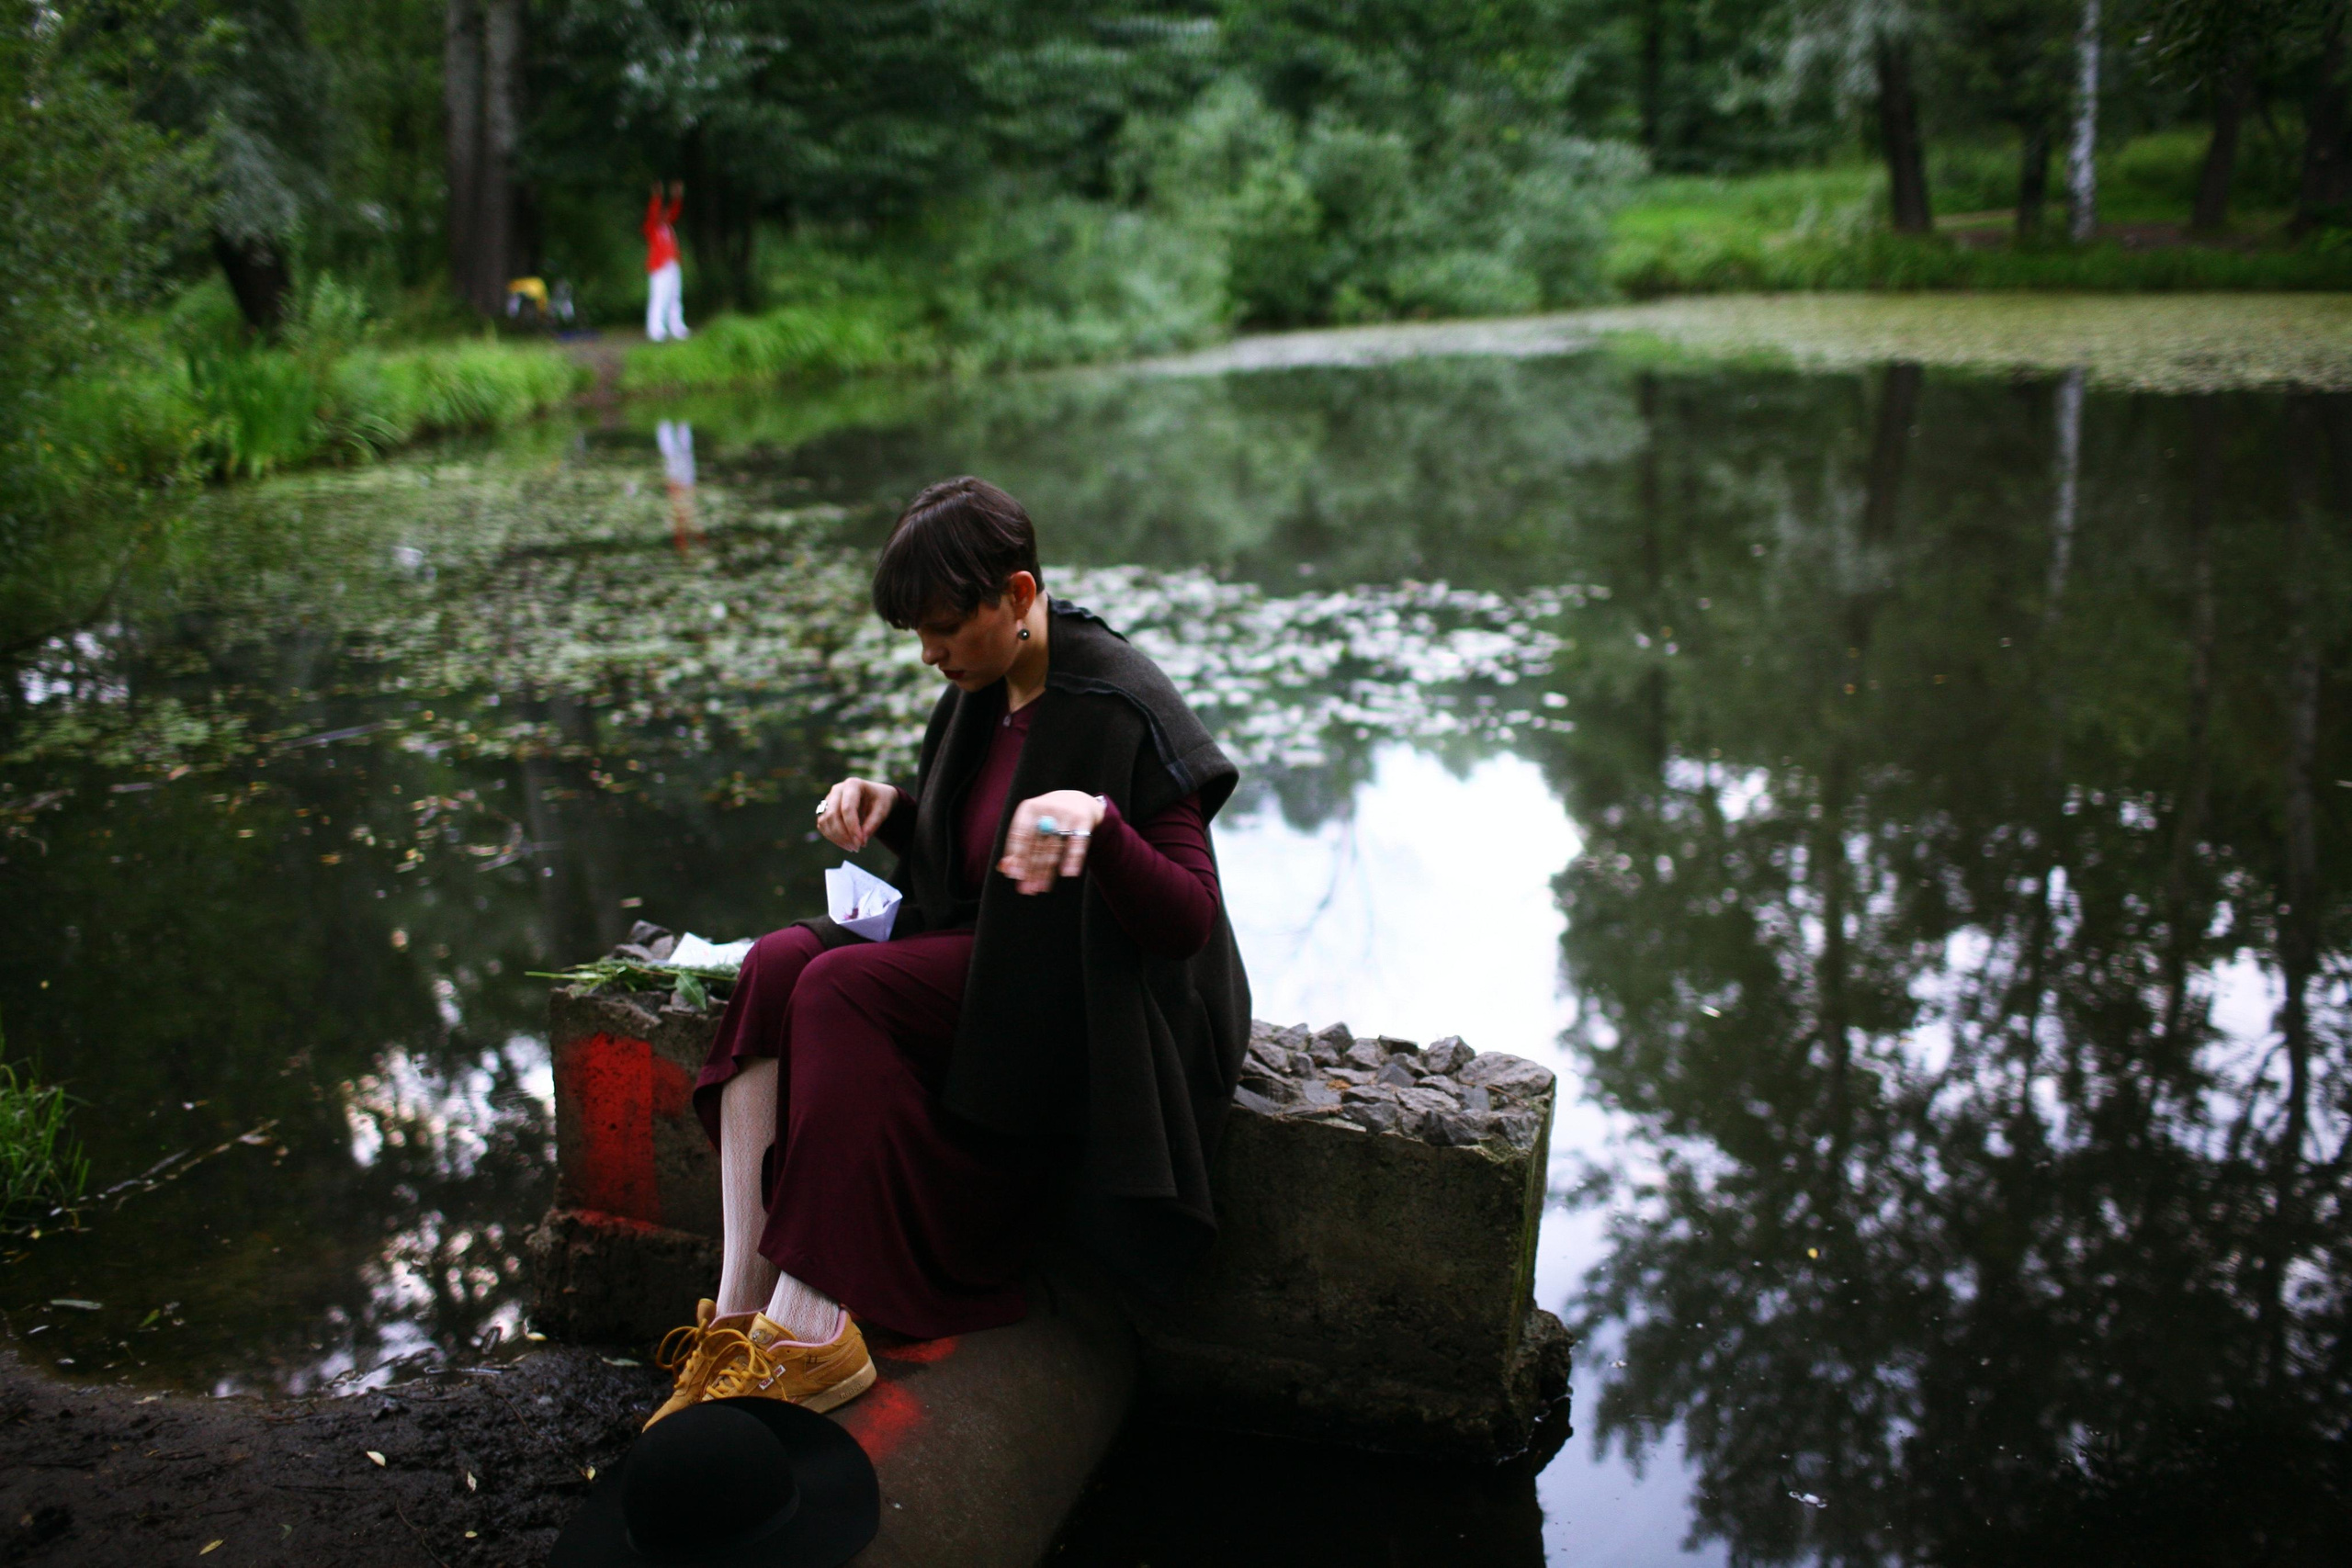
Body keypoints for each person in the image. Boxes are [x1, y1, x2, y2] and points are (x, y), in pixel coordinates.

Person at [644, 477, 1250, 1427]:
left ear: (1015, 595)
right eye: (915, 635)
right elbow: (977, 870)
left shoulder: (1117, 701)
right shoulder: (984, 684)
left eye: (941, 629)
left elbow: (1187, 923)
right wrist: (897, 814)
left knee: (841, 989)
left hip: (1094, 1011)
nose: (928, 655)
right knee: (773, 963)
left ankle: (809, 1331)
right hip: (999, 962)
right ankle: (738, 1314)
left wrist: (1099, 825)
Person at [644, 180, 689, 342]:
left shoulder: (668, 226)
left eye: (665, 212)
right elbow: (652, 213)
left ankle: (676, 327)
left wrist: (677, 196)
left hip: (672, 264)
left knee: (674, 296)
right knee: (658, 297)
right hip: (659, 266)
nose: (664, 214)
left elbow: (675, 211)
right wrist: (657, 196)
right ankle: (655, 330)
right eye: (661, 213)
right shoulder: (651, 228)